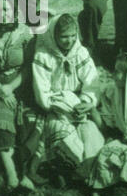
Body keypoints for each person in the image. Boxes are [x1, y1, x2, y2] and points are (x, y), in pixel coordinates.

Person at [0, 0, 45, 194]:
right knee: (1, 120)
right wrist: (0, 88)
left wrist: (11, 87)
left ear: (15, 12)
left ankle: (24, 172)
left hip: (21, 85)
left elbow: (28, 66)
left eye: (6, 9)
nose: (3, 13)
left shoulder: (25, 34)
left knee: (24, 121)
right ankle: (12, 175)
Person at [33, 14, 105, 184]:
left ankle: (89, 171)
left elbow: (91, 84)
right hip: (56, 109)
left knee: (90, 134)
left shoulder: (80, 53)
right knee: (61, 134)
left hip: (80, 107)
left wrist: (87, 102)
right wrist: (63, 104)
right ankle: (67, 170)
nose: (69, 41)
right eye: (64, 37)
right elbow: (42, 93)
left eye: (73, 36)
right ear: (53, 35)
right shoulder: (43, 56)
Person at [89, 52, 127, 196]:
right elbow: (111, 119)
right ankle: (98, 195)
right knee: (105, 154)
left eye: (117, 71)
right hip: (126, 140)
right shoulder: (116, 92)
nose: (113, 75)